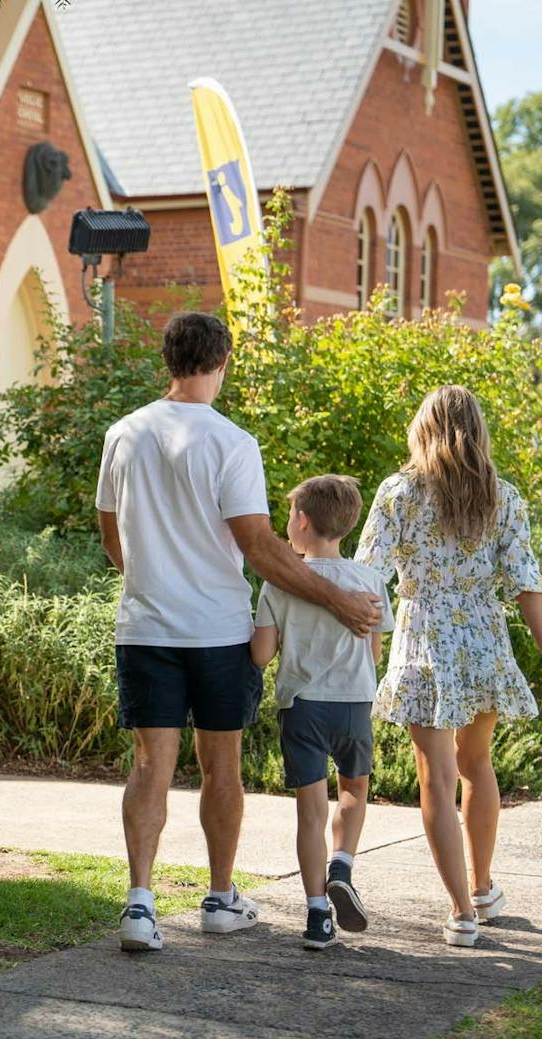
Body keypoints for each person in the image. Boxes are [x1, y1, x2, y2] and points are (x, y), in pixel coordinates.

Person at [96, 312, 381, 954]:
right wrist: (335, 598)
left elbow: (112, 537)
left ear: (168, 362)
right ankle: (220, 898)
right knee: (220, 764)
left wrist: (151, 577)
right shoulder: (231, 442)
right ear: (222, 361)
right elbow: (258, 545)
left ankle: (140, 906)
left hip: (144, 627)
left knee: (150, 763)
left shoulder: (124, 434)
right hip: (218, 631)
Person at [356, 386, 542, 947]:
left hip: (425, 641)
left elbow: (367, 579)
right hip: (483, 639)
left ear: (422, 429)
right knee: (476, 766)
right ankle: (481, 888)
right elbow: (527, 587)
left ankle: (462, 911)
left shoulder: (399, 493)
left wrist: (362, 651)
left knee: (436, 777)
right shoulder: (502, 497)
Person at [250, 476, 394, 950]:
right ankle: (343, 866)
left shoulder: (279, 584)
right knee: (353, 789)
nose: (288, 523)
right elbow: (373, 656)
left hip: (302, 708)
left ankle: (317, 916)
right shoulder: (370, 581)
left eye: (290, 515)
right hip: (353, 703)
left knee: (309, 813)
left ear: (303, 520)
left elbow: (261, 655)